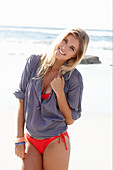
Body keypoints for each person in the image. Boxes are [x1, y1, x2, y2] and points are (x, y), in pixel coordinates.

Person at [14, 28, 89, 170]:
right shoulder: (34, 62)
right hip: (31, 139)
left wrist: (60, 93)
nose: (64, 48)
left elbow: (70, 119)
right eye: (65, 41)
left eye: (71, 48)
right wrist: (19, 138)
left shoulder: (74, 78)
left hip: (56, 140)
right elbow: (21, 99)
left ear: (74, 56)